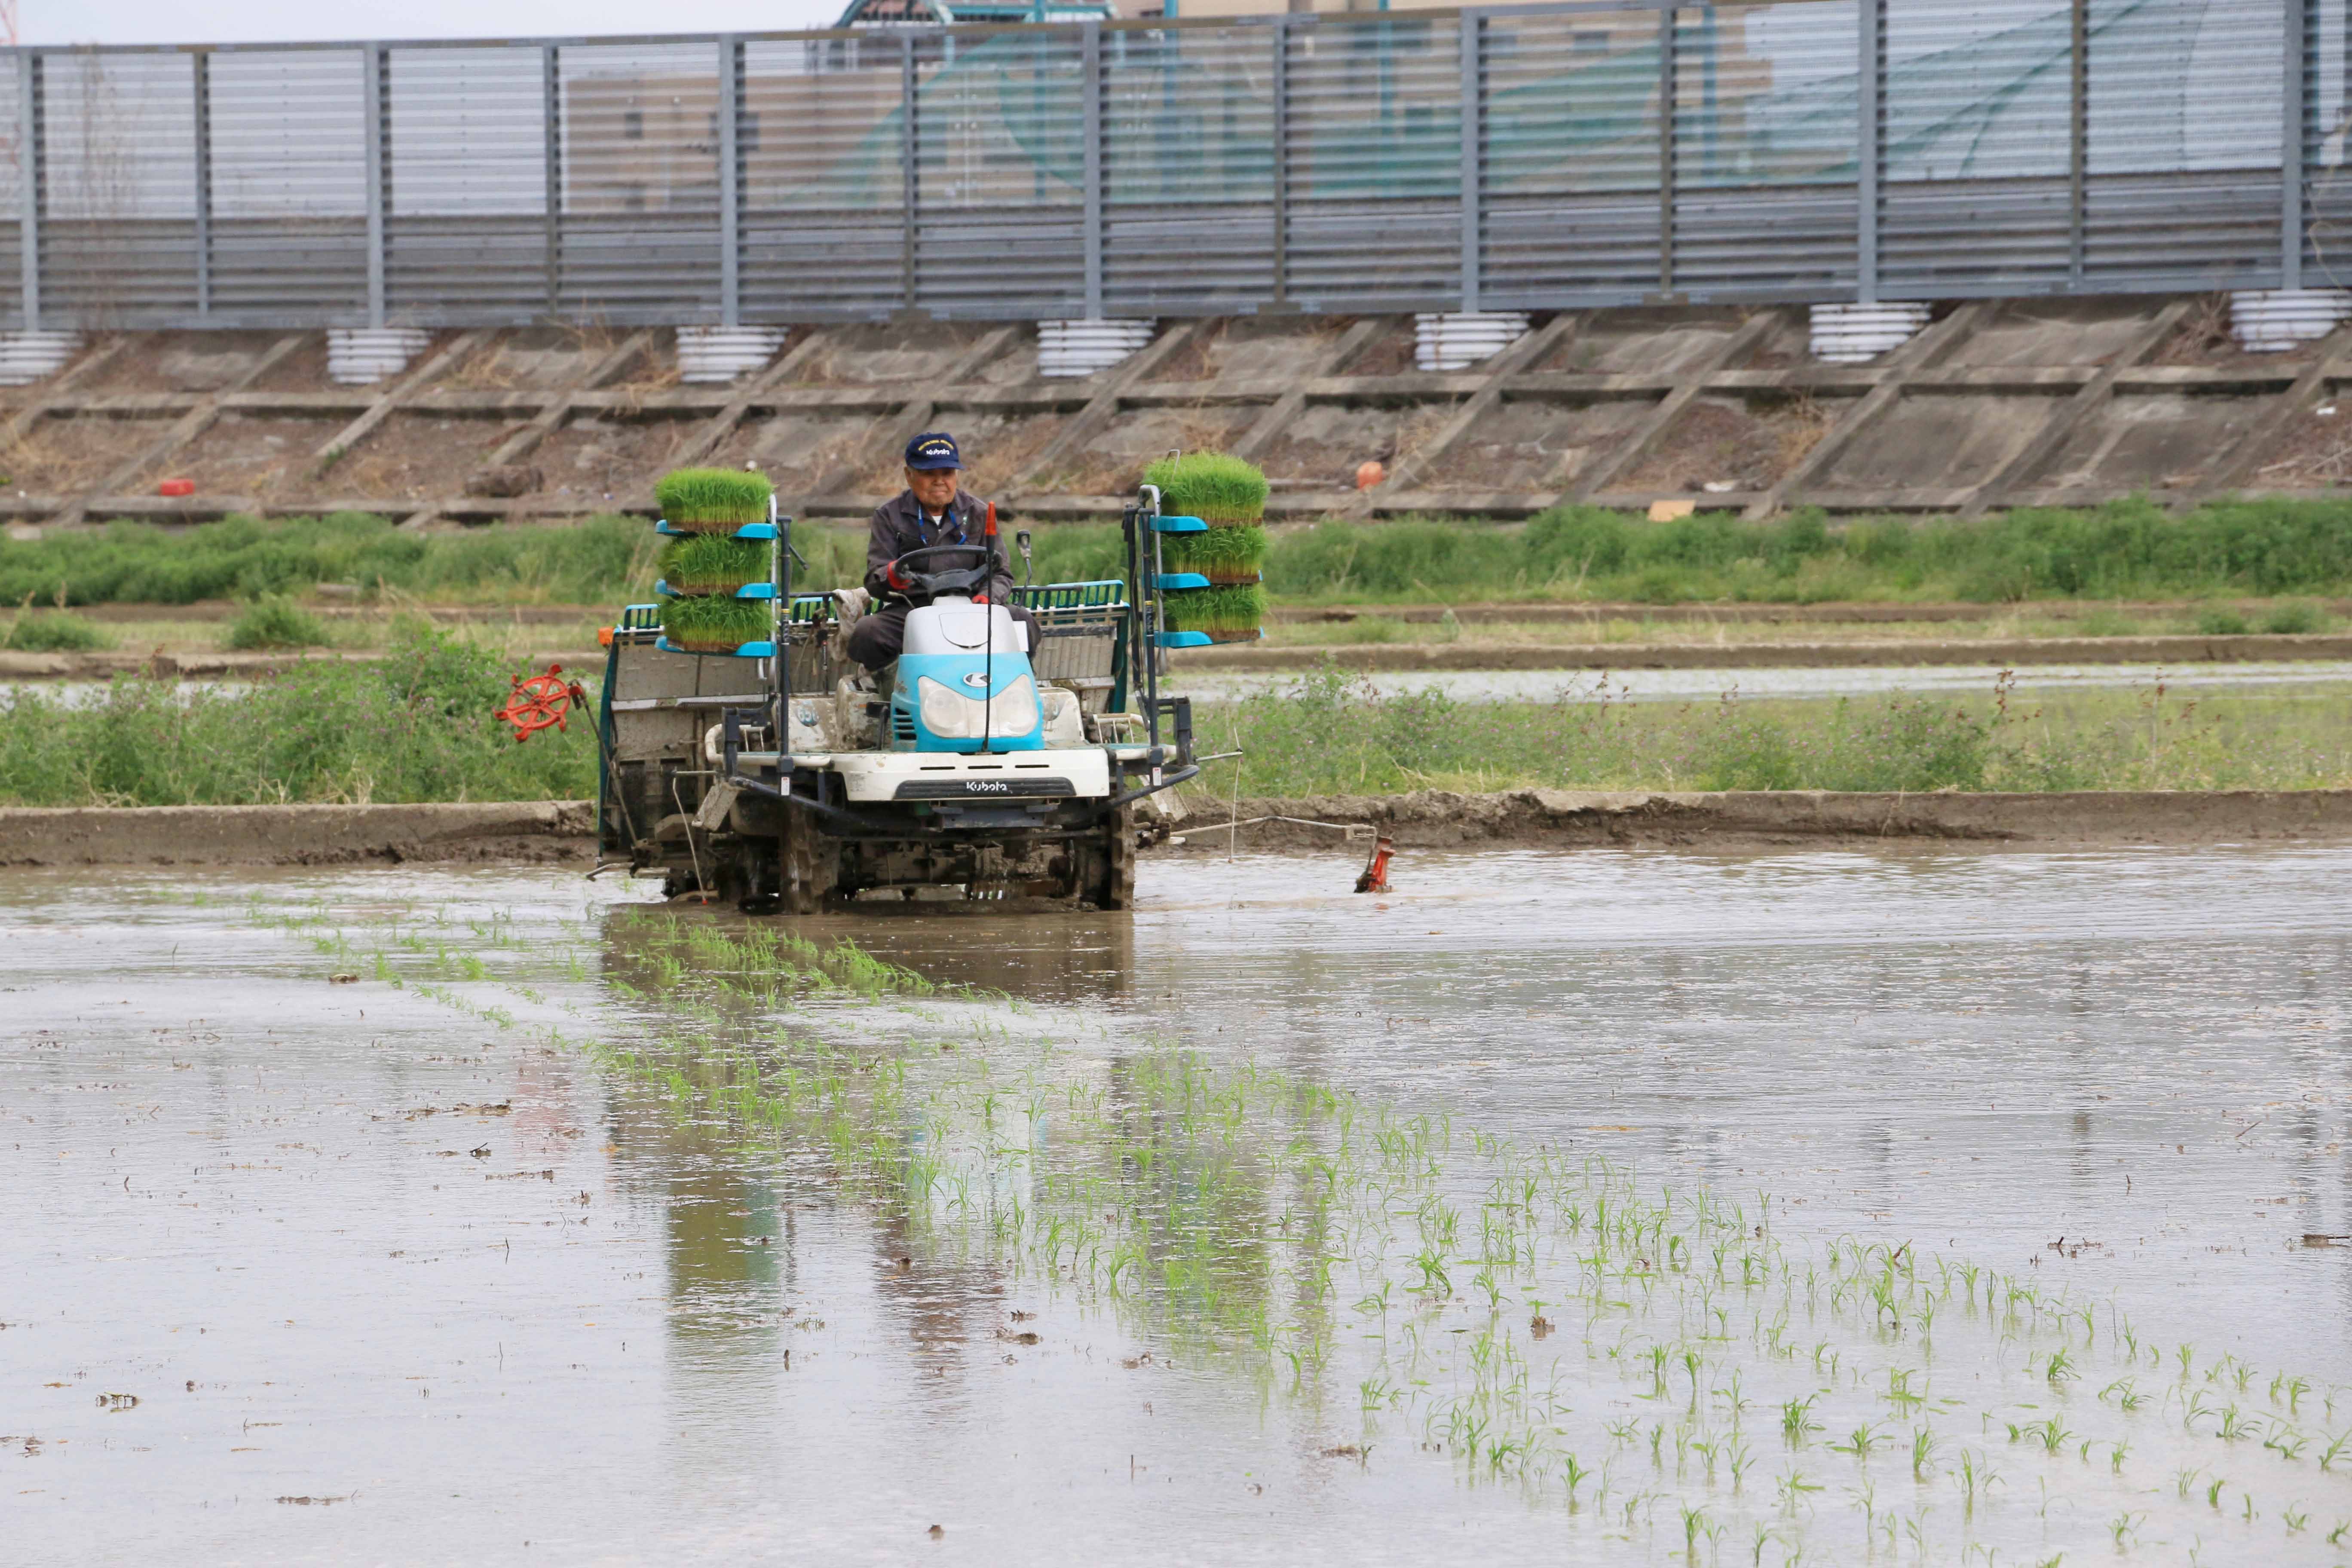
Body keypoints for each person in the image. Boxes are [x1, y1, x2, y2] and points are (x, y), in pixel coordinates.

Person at [844, 431, 1037, 670]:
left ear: (956, 476)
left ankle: (1010, 681)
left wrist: (989, 598)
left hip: (975, 609)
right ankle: (887, 684)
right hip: (913, 610)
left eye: (947, 473)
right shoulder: (888, 516)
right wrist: (891, 575)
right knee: (868, 632)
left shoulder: (980, 513)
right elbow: (875, 578)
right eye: (928, 474)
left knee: (1023, 620)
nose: (939, 481)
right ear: (909, 475)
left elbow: (1001, 573)